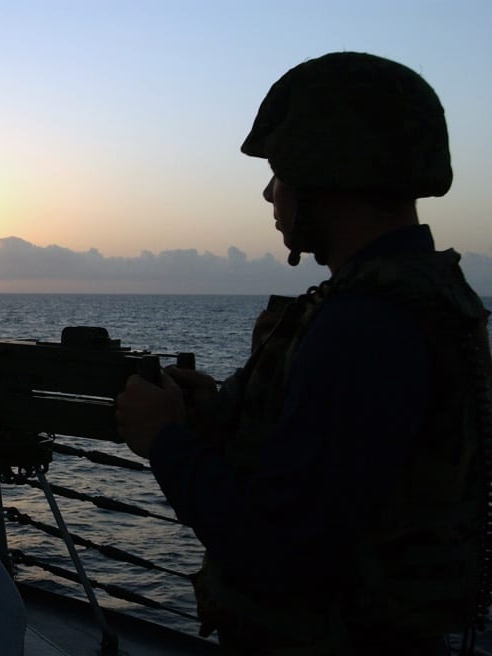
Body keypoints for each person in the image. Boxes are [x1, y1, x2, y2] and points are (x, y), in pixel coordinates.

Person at [116, 52, 492, 655]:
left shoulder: (366, 322)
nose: (269, 193)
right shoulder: (418, 293)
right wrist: (216, 416)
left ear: (325, 175)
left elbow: (279, 544)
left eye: (280, 173)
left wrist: (163, 440)